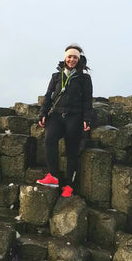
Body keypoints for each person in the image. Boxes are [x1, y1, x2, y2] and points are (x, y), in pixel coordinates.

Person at [36, 44, 93, 197]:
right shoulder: (56, 76)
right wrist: (43, 113)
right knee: (49, 139)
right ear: (65, 58)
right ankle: (53, 176)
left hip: (74, 116)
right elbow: (48, 96)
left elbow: (88, 100)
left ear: (79, 59)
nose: (72, 59)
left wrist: (87, 118)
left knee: (72, 151)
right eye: (69, 56)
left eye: (75, 57)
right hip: (56, 116)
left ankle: (69, 185)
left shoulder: (84, 78)